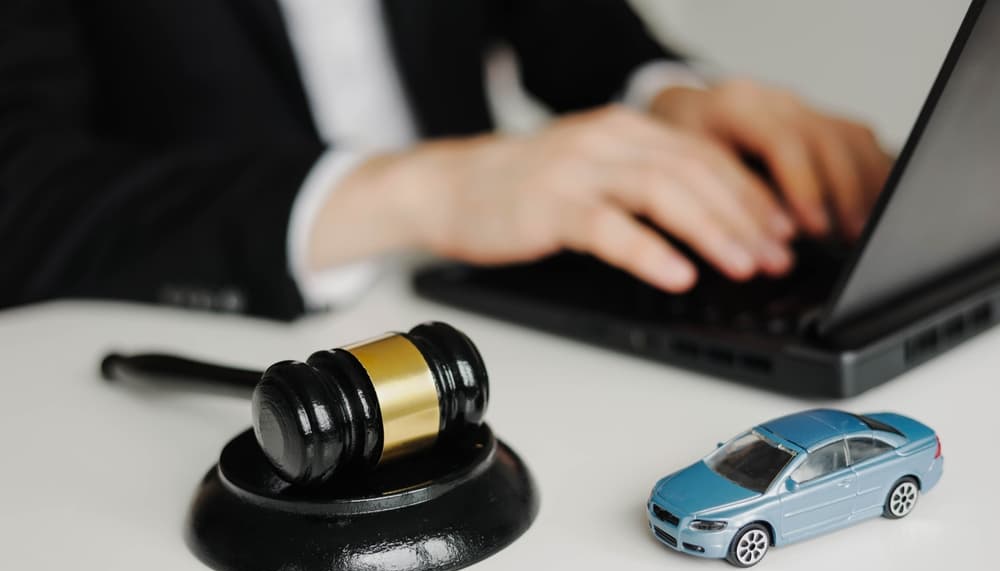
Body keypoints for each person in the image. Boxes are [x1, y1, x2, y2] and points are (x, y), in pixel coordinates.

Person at [0, 0, 891, 320]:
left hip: (493, 306)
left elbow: (561, 22)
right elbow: (23, 188)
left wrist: (670, 96)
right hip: (215, 343)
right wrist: (421, 189)